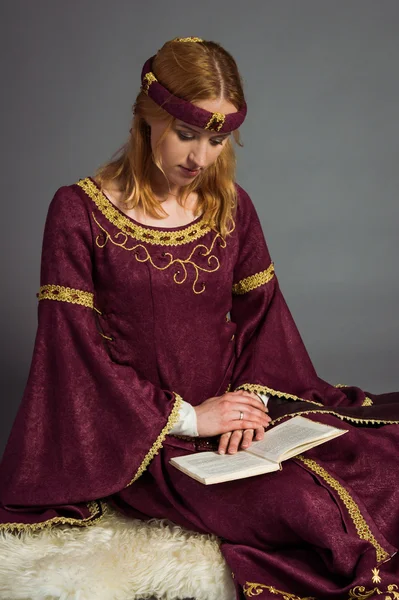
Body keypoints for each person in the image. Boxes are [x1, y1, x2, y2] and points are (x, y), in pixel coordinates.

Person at [1, 36, 399, 600]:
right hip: (143, 439)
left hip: (239, 418)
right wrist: (189, 419)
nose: (200, 158)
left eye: (217, 140)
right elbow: (72, 355)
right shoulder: (78, 212)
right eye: (186, 135)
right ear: (147, 118)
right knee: (308, 510)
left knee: (381, 459)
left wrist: (247, 408)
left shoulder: (233, 207)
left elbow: (264, 323)